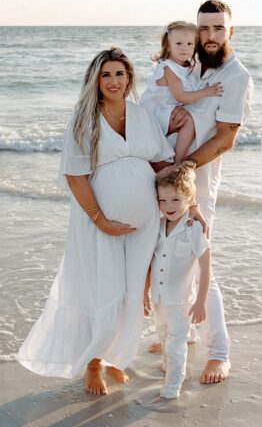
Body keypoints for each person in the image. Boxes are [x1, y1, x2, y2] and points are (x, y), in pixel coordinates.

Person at [17, 47, 180, 396]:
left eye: (120, 74)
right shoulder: (84, 120)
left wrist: (185, 202)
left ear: (129, 78)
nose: (113, 81)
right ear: (95, 80)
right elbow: (76, 176)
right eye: (106, 74)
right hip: (98, 221)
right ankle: (91, 363)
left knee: (133, 292)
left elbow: (160, 163)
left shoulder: (140, 115)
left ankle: (113, 358)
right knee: (102, 288)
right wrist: (100, 220)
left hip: (145, 221)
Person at [156, 0, 254, 385]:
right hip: (173, 176)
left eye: (218, 28)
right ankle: (186, 331)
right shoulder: (192, 63)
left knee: (198, 261)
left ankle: (219, 353)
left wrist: (183, 170)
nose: (210, 36)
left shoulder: (235, 76)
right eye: (204, 29)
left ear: (231, 31)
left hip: (197, 180)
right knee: (171, 256)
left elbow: (226, 138)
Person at [142, 163, 211, 400]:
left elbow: (205, 266)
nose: (168, 206)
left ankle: (171, 389)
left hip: (181, 301)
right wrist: (145, 293)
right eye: (162, 200)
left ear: (189, 199)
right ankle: (167, 366)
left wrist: (201, 302)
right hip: (159, 298)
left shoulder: (193, 229)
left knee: (175, 345)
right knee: (162, 336)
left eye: (175, 199)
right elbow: (151, 263)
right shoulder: (159, 226)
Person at [139, 21, 223, 162]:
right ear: (168, 46)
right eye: (179, 44)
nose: (185, 48)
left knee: (191, 118)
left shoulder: (184, 66)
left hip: (167, 107)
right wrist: (206, 92)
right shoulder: (169, 68)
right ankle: (179, 160)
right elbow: (181, 96)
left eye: (189, 44)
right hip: (155, 111)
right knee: (189, 120)